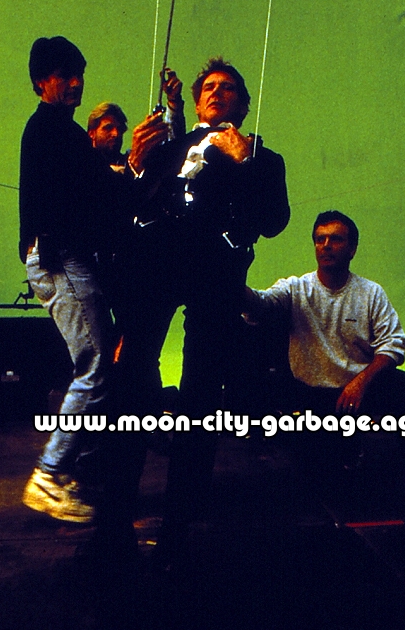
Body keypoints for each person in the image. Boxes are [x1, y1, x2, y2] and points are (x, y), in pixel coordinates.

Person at [116, 58, 289, 555]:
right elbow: (128, 208)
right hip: (157, 267)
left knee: (200, 395)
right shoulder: (167, 147)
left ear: (244, 104)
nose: (216, 92)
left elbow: (273, 221)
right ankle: (116, 515)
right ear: (196, 102)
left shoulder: (262, 156)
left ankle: (179, 523)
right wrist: (135, 163)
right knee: (131, 383)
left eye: (227, 87)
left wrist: (245, 163)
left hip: (216, 273)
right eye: (209, 87)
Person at [18, 36, 166, 525]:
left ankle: (73, 470)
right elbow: (101, 195)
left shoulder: (60, 132)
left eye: (79, 73)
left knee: (94, 366)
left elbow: (101, 196)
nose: (76, 82)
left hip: (64, 257)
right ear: (42, 82)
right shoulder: (53, 131)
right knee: (96, 364)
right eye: (65, 75)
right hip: (61, 259)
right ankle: (49, 475)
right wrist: (136, 164)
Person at [243, 211, 405, 493]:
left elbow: (393, 344)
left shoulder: (370, 293)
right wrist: (233, 284)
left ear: (352, 249)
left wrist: (361, 382)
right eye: (320, 239)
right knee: (323, 479)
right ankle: (341, 449)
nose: (326, 245)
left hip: (358, 390)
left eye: (336, 239)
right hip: (311, 394)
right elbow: (260, 304)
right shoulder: (296, 288)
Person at [86, 102, 129, 173]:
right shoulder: (81, 162)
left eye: (119, 129)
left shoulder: (128, 164)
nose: (116, 134)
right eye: (108, 128)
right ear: (92, 133)